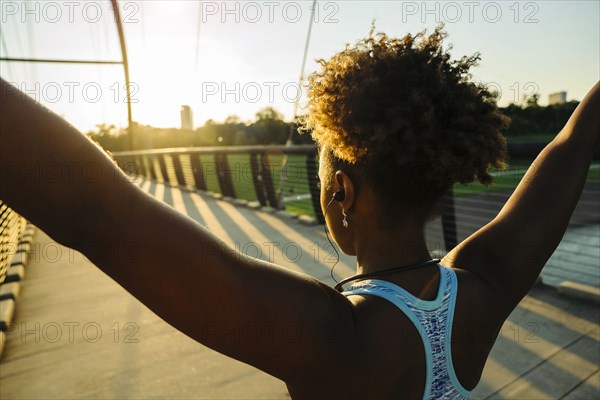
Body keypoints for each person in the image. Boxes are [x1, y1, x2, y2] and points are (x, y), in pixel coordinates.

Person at [0, 26, 598, 399]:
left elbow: (97, 213)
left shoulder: (331, 336)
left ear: (342, 191)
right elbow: (572, 146)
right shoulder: (484, 286)